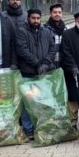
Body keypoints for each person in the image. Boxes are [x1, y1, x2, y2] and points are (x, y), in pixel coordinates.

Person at [16, 9, 57, 139]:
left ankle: (42, 126)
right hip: (28, 73)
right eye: (33, 18)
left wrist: (46, 63)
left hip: (44, 73)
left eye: (38, 18)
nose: (36, 21)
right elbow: (22, 50)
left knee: (43, 101)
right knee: (27, 102)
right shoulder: (22, 31)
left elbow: (53, 48)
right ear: (28, 18)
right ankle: (28, 129)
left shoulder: (47, 32)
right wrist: (37, 64)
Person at [43, 3, 66, 68]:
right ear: (50, 13)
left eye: (59, 12)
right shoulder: (44, 29)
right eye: (55, 12)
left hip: (64, 62)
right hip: (50, 63)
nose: (57, 14)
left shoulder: (66, 29)